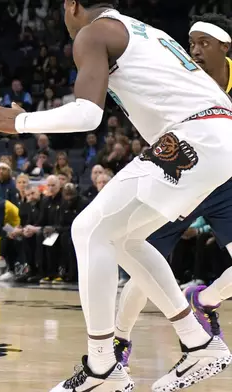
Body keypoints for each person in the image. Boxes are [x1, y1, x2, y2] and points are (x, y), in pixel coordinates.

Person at [0, 2, 232, 391]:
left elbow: (87, 115)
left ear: (71, 5)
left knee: (88, 230)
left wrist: (19, 121)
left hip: (195, 137)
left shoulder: (94, 32)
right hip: (218, 137)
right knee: (123, 239)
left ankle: (102, 368)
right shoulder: (143, 29)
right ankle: (198, 343)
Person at [114, 13, 232, 373]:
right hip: (181, 174)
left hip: (225, 181)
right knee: (145, 266)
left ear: (225, 48)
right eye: (191, 43)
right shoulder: (180, 75)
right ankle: (119, 341)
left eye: (203, 44)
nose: (194, 50)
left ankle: (203, 300)